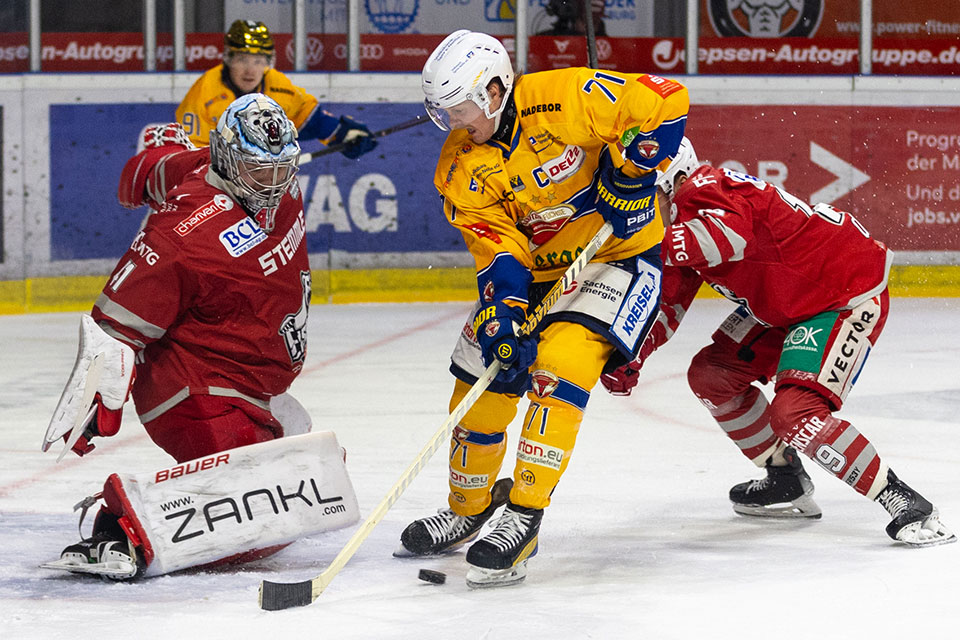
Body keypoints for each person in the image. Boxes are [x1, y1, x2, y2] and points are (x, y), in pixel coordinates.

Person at [395, 30, 689, 587]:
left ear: (496, 88)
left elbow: (665, 99)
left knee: (560, 367)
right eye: (445, 112)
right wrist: (502, 312)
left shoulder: (566, 97)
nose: (458, 122)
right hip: (538, 274)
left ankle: (524, 516)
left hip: (618, 258)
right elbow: (498, 247)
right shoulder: (460, 166)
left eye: (462, 106)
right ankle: (468, 508)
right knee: (480, 378)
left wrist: (632, 174)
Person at [41, 95, 359, 579]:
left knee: (321, 478)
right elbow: (113, 324)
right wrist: (98, 401)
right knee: (281, 510)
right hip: (194, 390)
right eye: (259, 170)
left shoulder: (247, 175)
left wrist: (146, 167)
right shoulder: (178, 237)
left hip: (253, 381)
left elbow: (162, 168)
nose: (273, 184)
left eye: (282, 169)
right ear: (230, 159)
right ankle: (121, 528)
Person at [601, 138, 955, 547]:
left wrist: (654, 245)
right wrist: (631, 352)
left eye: (639, 190)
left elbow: (727, 236)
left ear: (668, 180)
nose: (635, 204)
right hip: (784, 305)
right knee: (712, 375)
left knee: (797, 413)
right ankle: (785, 478)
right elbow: (667, 302)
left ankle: (903, 500)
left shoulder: (708, 188)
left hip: (840, 295)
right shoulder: (682, 217)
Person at [175, 19, 377, 159]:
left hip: (261, 186)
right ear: (228, 59)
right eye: (242, 59)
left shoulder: (277, 85)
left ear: (267, 62)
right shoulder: (205, 91)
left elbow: (309, 119)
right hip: (214, 188)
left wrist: (343, 134)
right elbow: (189, 152)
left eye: (258, 61)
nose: (250, 70)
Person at [536, 0, 607, 36]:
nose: (589, 27)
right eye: (584, 21)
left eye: (594, 23)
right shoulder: (547, 39)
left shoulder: (610, 44)